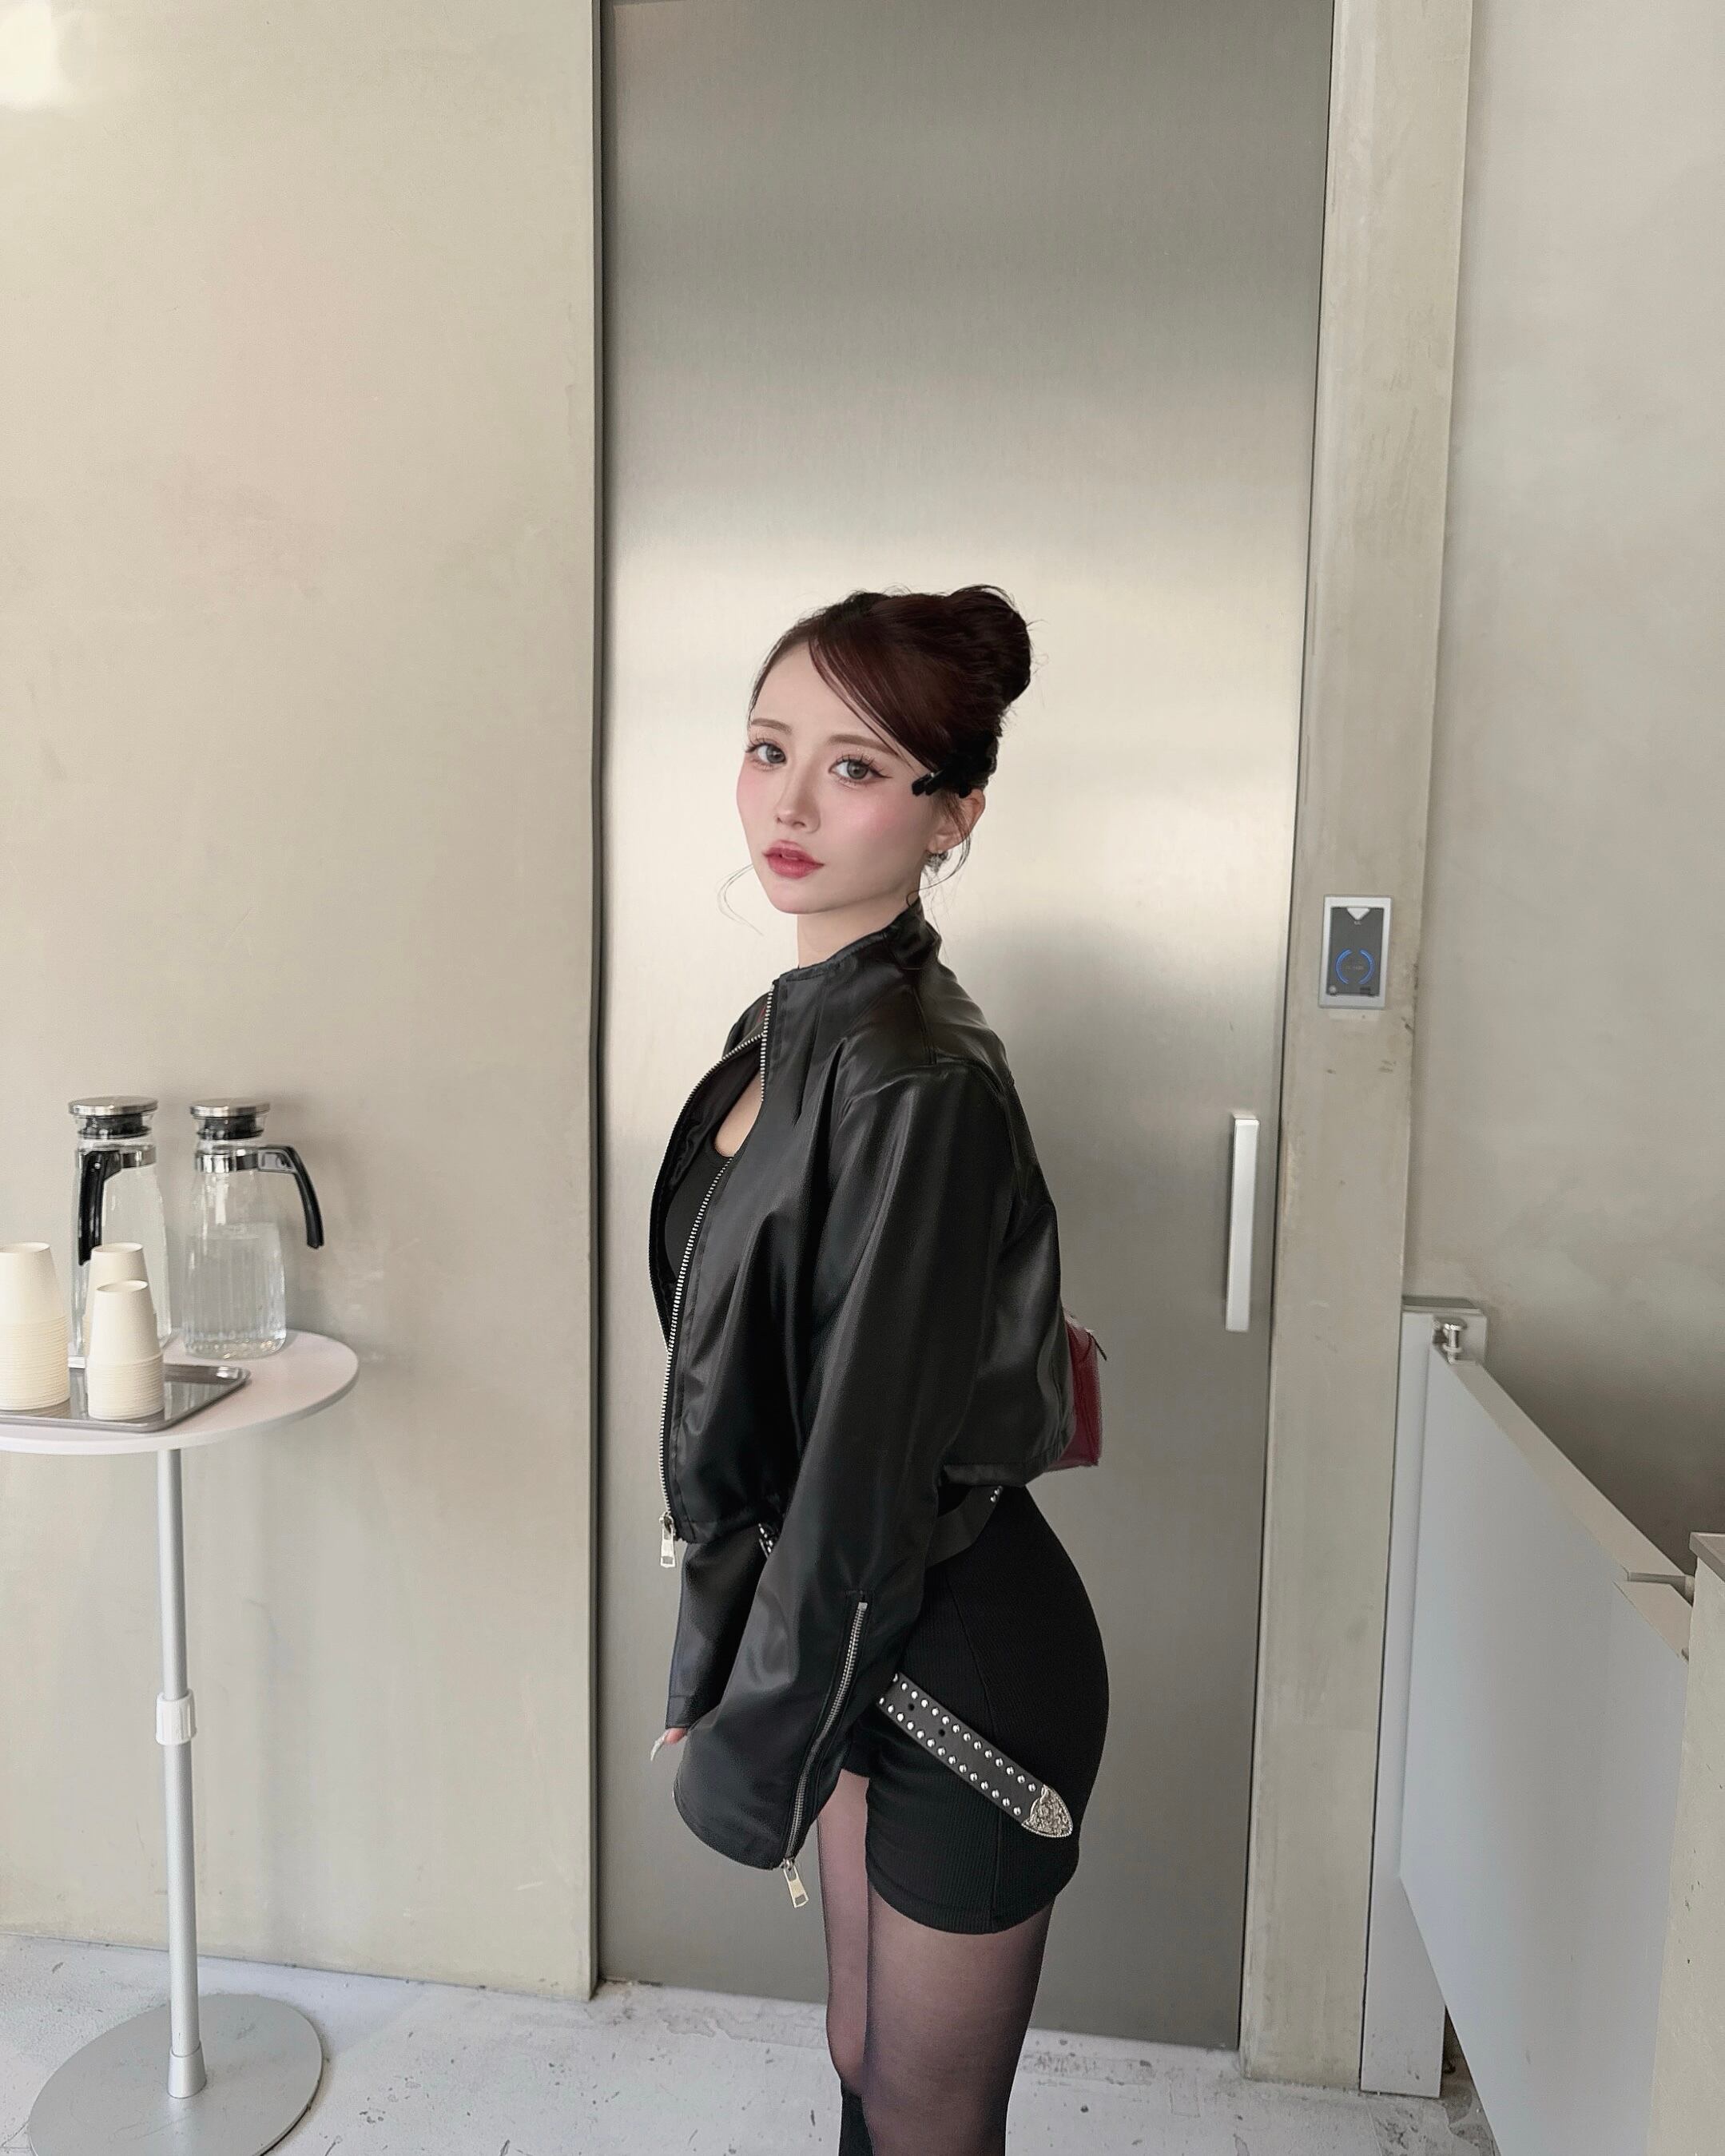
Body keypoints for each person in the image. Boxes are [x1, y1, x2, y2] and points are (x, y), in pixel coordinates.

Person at [648, 585, 1110, 2156]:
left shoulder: (915, 1077)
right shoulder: (799, 1026)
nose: (788, 803)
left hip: (953, 1654)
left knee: (923, 2111)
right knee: (861, 2049)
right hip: (853, 1626)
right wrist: (736, 1664)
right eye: (768, 748)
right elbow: (749, 1401)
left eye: (852, 767)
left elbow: (861, 1464)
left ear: (952, 813)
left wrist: (741, 1725)